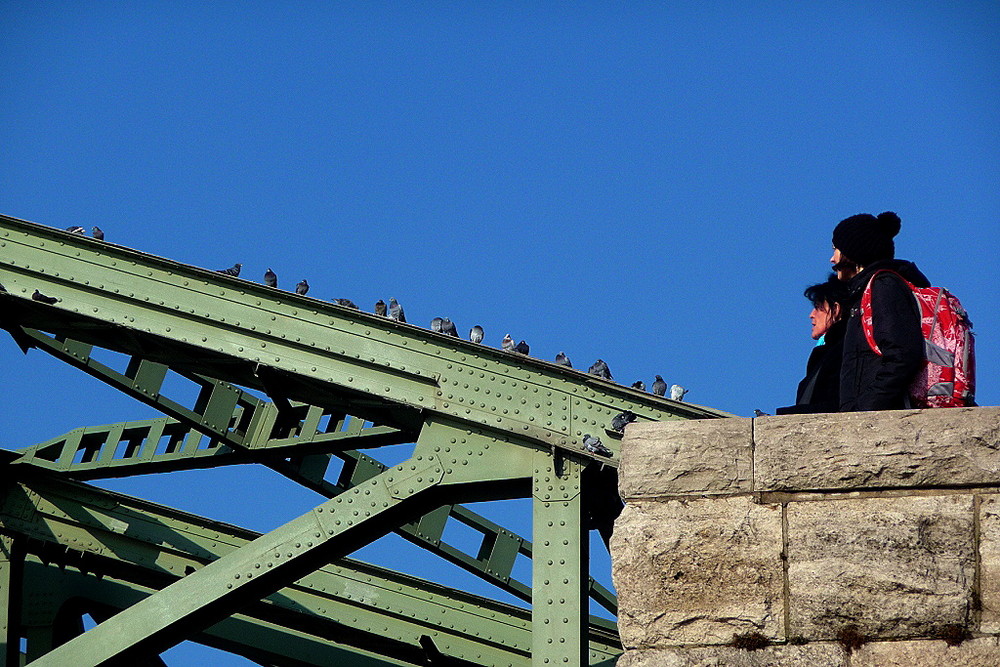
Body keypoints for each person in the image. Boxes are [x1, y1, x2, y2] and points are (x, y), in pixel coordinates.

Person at [831, 211, 929, 411]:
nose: (832, 259)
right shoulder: (866, 292)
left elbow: (902, 354)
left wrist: (866, 408)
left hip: (883, 421)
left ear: (852, 253)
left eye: (835, 249)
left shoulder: (884, 286)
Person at [776, 274, 848, 414]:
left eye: (818, 307)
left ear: (836, 309)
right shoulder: (827, 352)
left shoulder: (842, 352)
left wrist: (786, 416)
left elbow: (837, 405)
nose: (811, 314)